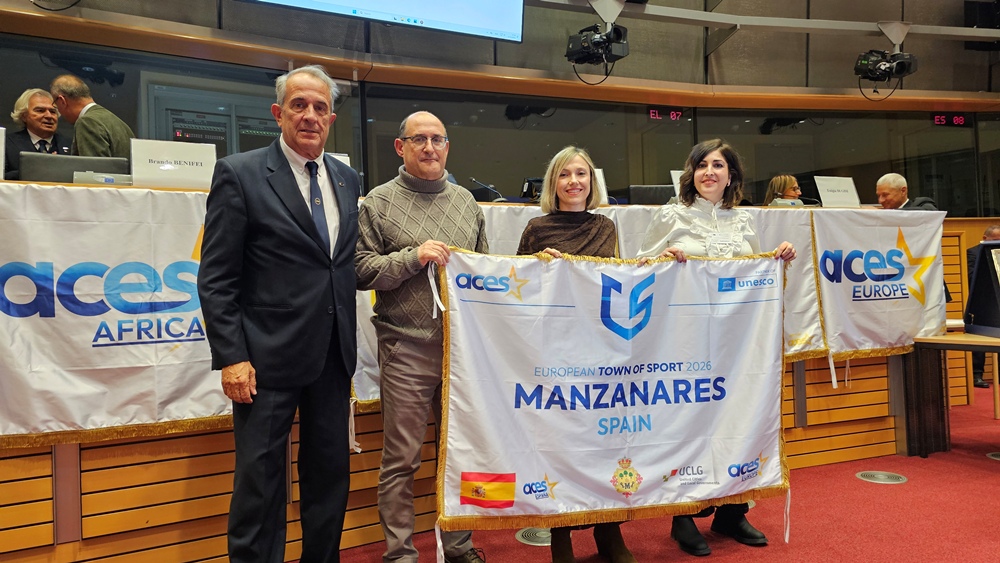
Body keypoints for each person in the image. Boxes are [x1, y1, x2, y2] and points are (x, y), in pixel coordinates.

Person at [197, 65, 360, 563]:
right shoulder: (240, 173)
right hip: (264, 360)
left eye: (319, 108)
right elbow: (216, 277)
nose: (309, 115)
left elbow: (338, 264)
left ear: (331, 119)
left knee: (329, 478)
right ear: (278, 113)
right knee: (260, 485)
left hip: (332, 355)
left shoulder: (347, 178)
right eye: (298, 105)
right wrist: (232, 356)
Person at [637, 138, 795, 557]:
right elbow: (637, 268)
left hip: (735, 345)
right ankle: (684, 516)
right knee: (687, 424)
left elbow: (753, 275)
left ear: (731, 176)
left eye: (718, 165)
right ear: (691, 174)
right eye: (702, 165)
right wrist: (662, 258)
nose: (709, 172)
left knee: (736, 419)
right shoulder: (671, 215)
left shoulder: (743, 220)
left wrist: (777, 259)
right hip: (683, 342)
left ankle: (732, 510)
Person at [356, 111, 488, 563]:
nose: (429, 148)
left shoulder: (467, 202)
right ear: (401, 147)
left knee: (460, 454)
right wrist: (413, 258)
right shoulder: (378, 202)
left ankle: (459, 547)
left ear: (447, 146)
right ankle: (400, 555)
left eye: (437, 139)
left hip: (460, 353)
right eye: (419, 140)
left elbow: (483, 270)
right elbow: (360, 270)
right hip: (405, 348)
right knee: (402, 460)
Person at [516, 146, 634, 563]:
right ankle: (560, 536)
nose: (573, 181)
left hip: (600, 349)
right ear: (553, 183)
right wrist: (536, 264)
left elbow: (619, 281)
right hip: (555, 351)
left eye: (581, 173)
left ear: (591, 181)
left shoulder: (606, 226)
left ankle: (609, 532)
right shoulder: (536, 228)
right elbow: (516, 288)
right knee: (560, 443)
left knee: (604, 441)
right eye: (565, 174)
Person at [49, 74, 134, 160]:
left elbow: (94, 167)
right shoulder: (121, 124)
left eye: (55, 105)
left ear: (62, 101)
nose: (59, 112)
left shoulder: (87, 122)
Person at [4, 88, 71, 180]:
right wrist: (38, 169)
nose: (49, 116)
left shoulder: (71, 145)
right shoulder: (6, 144)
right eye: (40, 110)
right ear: (24, 116)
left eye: (53, 111)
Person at [967, 225, 1000, 388]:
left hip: (998, 301)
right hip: (982, 302)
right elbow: (971, 276)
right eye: (995, 240)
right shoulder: (973, 252)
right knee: (979, 340)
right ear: (985, 238)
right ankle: (976, 375)